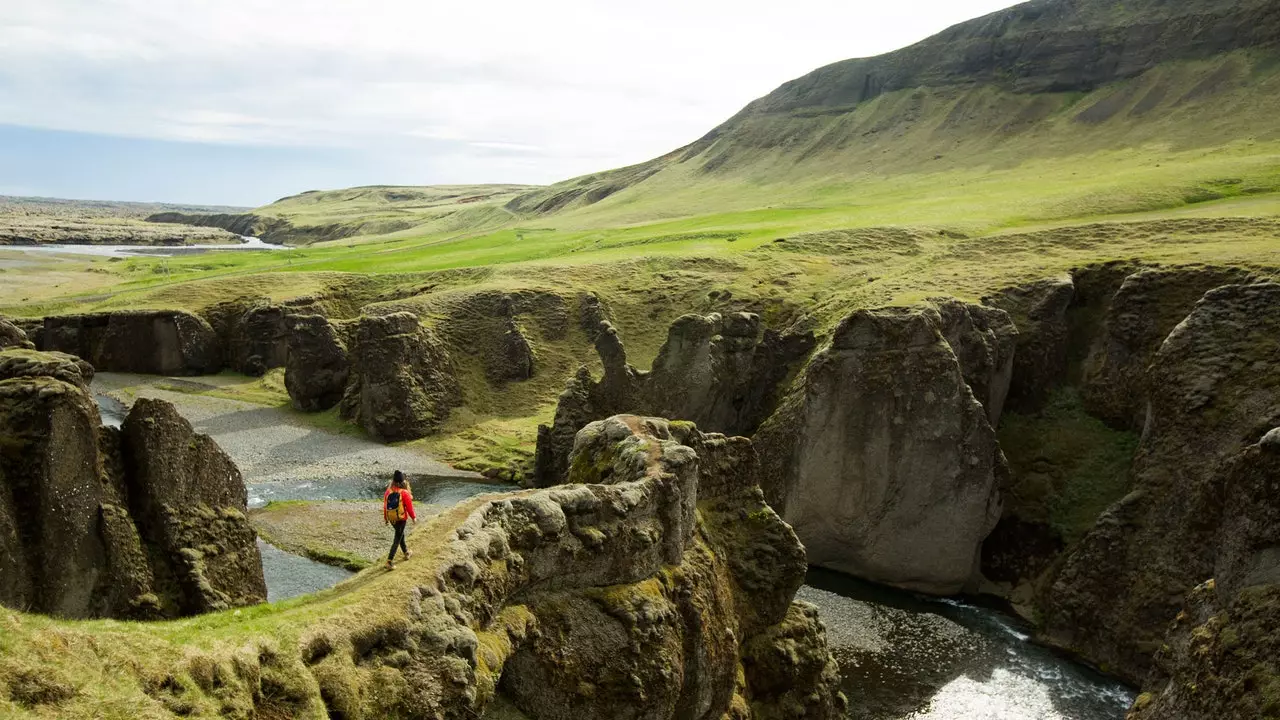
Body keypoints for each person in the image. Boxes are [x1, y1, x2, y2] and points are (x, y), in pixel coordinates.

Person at [383, 470, 416, 570]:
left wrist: (386, 518)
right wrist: (414, 517)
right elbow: (409, 507)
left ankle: (406, 552)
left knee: (400, 535)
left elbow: (385, 506)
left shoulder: (388, 492)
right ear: (402, 482)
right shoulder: (404, 493)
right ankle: (389, 561)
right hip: (401, 519)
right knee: (397, 538)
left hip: (392, 519)